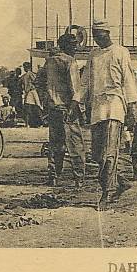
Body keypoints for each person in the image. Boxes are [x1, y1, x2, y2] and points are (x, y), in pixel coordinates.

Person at [84, 19, 137, 211]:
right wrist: (76, 103)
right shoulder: (93, 55)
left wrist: (131, 109)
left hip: (115, 105)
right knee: (97, 155)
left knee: (109, 153)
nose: (97, 40)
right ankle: (120, 182)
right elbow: (85, 82)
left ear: (108, 33)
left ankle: (105, 194)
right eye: (94, 37)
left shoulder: (121, 52)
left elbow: (129, 81)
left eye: (99, 36)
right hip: (97, 107)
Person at [44, 33, 88, 188]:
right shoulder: (70, 62)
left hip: (53, 108)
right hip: (68, 108)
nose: (76, 47)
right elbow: (75, 89)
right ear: (66, 45)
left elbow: (40, 83)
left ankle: (54, 176)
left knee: (56, 144)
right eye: (73, 44)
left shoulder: (49, 61)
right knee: (76, 145)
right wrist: (75, 109)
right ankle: (79, 179)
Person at [21, 61, 43, 128]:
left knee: (37, 107)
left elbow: (36, 81)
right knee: (28, 107)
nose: (24, 68)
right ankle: (28, 123)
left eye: (25, 67)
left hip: (32, 91)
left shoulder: (30, 74)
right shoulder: (24, 76)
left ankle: (40, 122)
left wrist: (32, 86)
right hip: (28, 92)